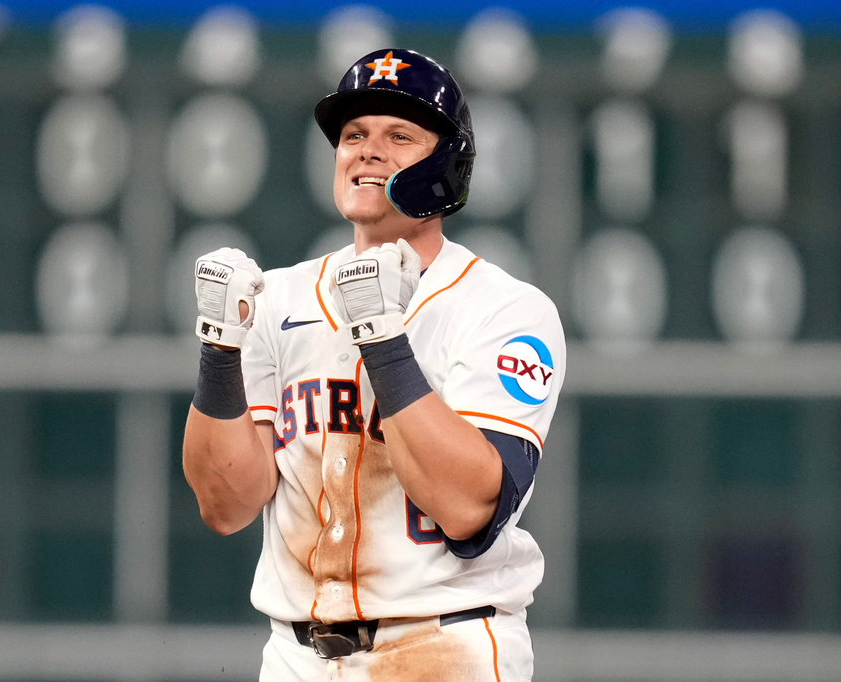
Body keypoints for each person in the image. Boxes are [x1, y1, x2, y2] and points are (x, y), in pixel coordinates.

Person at [183, 48, 566, 681]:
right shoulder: (279, 300)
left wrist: (384, 341)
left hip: (447, 646)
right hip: (296, 655)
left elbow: (469, 507)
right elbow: (225, 506)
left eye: (399, 135)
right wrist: (219, 357)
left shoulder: (503, 310)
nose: (366, 149)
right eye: (354, 134)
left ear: (446, 163)